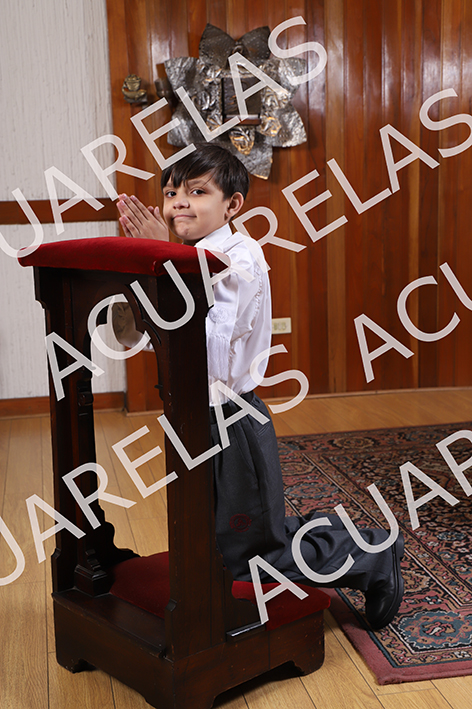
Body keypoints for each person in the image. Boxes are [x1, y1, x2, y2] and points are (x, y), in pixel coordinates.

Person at [113, 143, 404, 630]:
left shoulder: (239, 257)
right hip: (189, 418)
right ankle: (352, 538)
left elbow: (208, 353)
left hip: (232, 419)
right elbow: (140, 340)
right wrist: (148, 264)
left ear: (232, 205)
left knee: (247, 555)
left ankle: (372, 556)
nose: (178, 202)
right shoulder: (182, 258)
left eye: (197, 192)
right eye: (170, 192)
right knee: (215, 536)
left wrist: (166, 258)